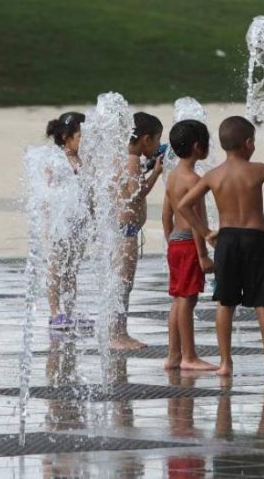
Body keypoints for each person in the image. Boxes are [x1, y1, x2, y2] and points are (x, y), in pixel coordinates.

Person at [177, 116, 264, 377]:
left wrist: (207, 232)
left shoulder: (213, 175)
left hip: (227, 240)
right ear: (248, 143)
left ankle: (225, 363)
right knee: (263, 302)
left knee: (225, 303)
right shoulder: (259, 170)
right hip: (255, 238)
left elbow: (184, 205)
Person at [162, 120, 217, 371]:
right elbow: (197, 221)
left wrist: (169, 241)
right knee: (188, 300)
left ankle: (174, 355)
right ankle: (189, 355)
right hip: (188, 243)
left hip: (175, 242)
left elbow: (166, 214)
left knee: (178, 299)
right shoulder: (194, 179)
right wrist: (203, 254)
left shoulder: (172, 176)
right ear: (198, 147)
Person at [113, 111, 164, 350]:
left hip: (121, 231)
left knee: (120, 284)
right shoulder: (132, 160)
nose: (156, 145)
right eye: (156, 140)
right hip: (126, 233)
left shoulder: (125, 157)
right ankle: (118, 335)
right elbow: (136, 194)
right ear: (145, 139)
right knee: (124, 284)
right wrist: (155, 173)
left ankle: (116, 332)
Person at [42, 112, 92, 331]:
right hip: (59, 224)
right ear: (65, 137)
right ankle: (55, 313)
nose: (84, 141)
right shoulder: (56, 159)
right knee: (56, 268)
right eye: (81, 136)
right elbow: (46, 191)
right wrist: (48, 222)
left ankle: (70, 311)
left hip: (77, 223)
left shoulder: (81, 159)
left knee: (72, 269)